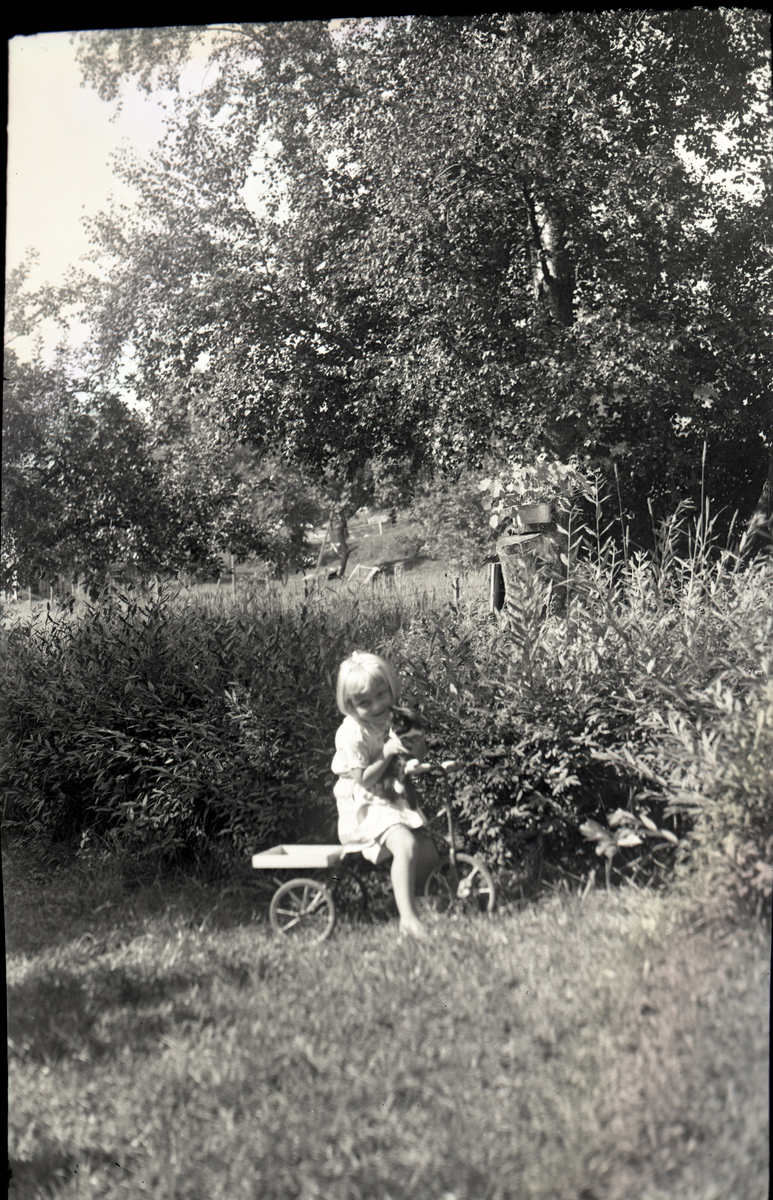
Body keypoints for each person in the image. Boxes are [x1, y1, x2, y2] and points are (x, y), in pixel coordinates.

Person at [332, 651, 440, 937]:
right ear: (350, 705)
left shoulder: (396, 717)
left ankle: (399, 901)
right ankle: (408, 919)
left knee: (428, 853)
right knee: (406, 845)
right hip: (364, 802)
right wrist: (387, 752)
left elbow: (414, 753)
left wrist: (416, 746)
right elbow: (363, 780)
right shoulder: (352, 732)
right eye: (365, 702)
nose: (377, 705)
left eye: (382, 695)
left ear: (391, 688)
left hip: (391, 794)